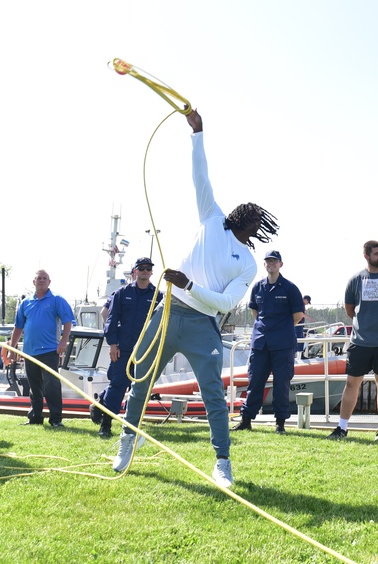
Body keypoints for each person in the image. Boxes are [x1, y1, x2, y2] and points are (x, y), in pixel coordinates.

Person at [112, 108, 278, 488]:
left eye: (258, 222)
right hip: (168, 314)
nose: (253, 223)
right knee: (140, 382)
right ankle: (126, 444)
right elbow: (199, 175)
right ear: (238, 216)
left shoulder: (249, 264)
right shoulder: (212, 217)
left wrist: (188, 284)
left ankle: (222, 462)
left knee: (214, 396)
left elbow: (222, 305)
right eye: (250, 216)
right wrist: (197, 132)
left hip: (203, 326)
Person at [328, 241, 378, 442]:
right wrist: (365, 323)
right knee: (351, 383)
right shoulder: (355, 279)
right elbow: (350, 309)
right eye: (377, 253)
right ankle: (342, 427)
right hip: (360, 342)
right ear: (366, 256)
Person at [233, 250, 304, 434]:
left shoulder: (290, 288)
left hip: (282, 344)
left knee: (281, 383)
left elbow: (298, 316)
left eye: (274, 261)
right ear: (264, 265)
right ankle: (246, 419)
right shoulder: (257, 287)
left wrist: (279, 329)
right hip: (260, 344)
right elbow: (255, 312)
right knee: (255, 381)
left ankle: (280, 423)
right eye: (268, 261)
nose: (271, 264)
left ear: (281, 264)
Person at [91, 257, 161, 437]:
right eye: (141, 268)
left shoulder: (158, 296)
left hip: (145, 350)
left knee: (139, 388)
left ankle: (130, 425)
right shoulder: (122, 293)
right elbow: (111, 319)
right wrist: (113, 344)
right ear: (135, 271)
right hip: (123, 348)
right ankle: (106, 424)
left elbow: (162, 324)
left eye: (148, 268)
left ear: (152, 272)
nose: (145, 271)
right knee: (118, 385)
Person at [9, 269, 76, 428]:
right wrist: (13, 348)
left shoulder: (56, 300)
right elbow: (18, 327)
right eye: (38, 278)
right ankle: (35, 417)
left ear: (49, 282)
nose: (41, 280)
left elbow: (67, 322)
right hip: (30, 352)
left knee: (52, 385)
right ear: (33, 282)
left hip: (49, 350)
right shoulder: (26, 303)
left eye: (44, 278)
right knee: (34, 386)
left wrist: (63, 342)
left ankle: (56, 419)